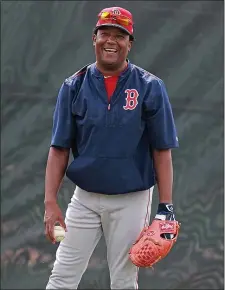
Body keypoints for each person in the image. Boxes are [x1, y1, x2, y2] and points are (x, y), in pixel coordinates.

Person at [44, 6, 179, 290]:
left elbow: (162, 150)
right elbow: (59, 149)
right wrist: (50, 202)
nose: (111, 41)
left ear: (129, 44)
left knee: (124, 281)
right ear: (94, 38)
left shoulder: (150, 87)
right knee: (61, 278)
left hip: (131, 199)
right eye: (105, 33)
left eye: (120, 35)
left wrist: (165, 208)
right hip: (85, 199)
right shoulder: (73, 86)